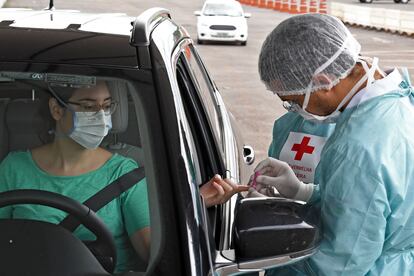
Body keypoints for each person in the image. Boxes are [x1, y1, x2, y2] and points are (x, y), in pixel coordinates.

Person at [0, 81, 248, 273]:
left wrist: (189, 204)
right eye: (88, 106)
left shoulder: (125, 174)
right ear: (56, 109)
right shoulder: (13, 167)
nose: (100, 115)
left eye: (107, 106)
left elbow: (155, 251)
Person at [253, 13, 414, 275]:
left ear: (323, 82)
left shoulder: (355, 148)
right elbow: (377, 206)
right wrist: (305, 191)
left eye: (294, 100)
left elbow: (340, 264)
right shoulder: (399, 99)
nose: (294, 110)